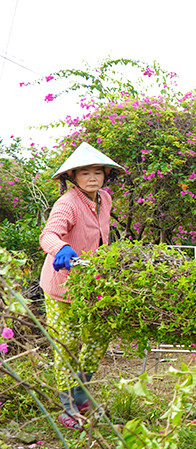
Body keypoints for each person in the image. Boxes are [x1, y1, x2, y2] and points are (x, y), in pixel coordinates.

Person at [39, 142, 124, 430]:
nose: (92, 177)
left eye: (97, 172)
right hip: (62, 287)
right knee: (66, 346)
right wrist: (60, 248)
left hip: (92, 286)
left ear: (105, 176)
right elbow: (48, 234)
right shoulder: (67, 203)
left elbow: (102, 238)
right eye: (84, 172)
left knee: (97, 339)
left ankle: (81, 396)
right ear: (73, 176)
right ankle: (67, 408)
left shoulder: (105, 199)